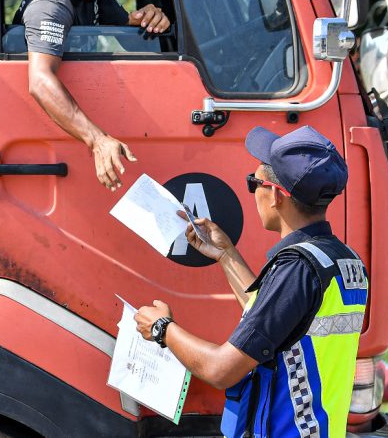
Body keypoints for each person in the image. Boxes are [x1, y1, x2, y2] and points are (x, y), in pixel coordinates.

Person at [134, 126, 368, 437]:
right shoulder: (341, 260)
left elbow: (221, 370)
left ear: (274, 195)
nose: (254, 191)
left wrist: (163, 329)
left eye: (253, 183)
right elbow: (280, 324)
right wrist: (226, 254)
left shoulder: (298, 268)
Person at [13, 0, 170, 190]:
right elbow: (40, 80)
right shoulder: (50, 4)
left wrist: (150, 17)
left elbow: (124, 23)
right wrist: (97, 140)